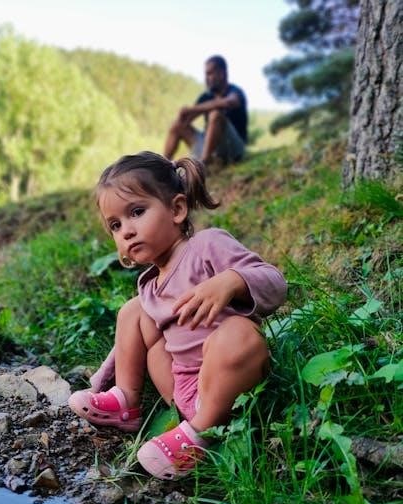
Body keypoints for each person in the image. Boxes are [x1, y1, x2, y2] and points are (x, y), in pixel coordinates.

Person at [68, 152, 286, 480]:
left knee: (240, 332)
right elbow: (123, 346)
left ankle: (200, 434)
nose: (126, 231)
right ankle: (125, 401)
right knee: (133, 310)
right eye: (115, 225)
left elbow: (275, 283)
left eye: (136, 212)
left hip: (226, 382)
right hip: (180, 387)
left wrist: (232, 281)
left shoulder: (207, 246)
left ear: (177, 209)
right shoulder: (149, 284)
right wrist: (100, 380)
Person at [164, 55, 248, 166]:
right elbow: (185, 121)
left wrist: (193, 109)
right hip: (210, 148)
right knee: (177, 126)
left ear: (222, 74)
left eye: (210, 73)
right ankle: (162, 167)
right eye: (206, 74)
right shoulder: (205, 97)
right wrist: (182, 117)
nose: (206, 78)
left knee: (215, 115)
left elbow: (230, 102)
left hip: (233, 148)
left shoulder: (235, 91)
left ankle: (204, 165)